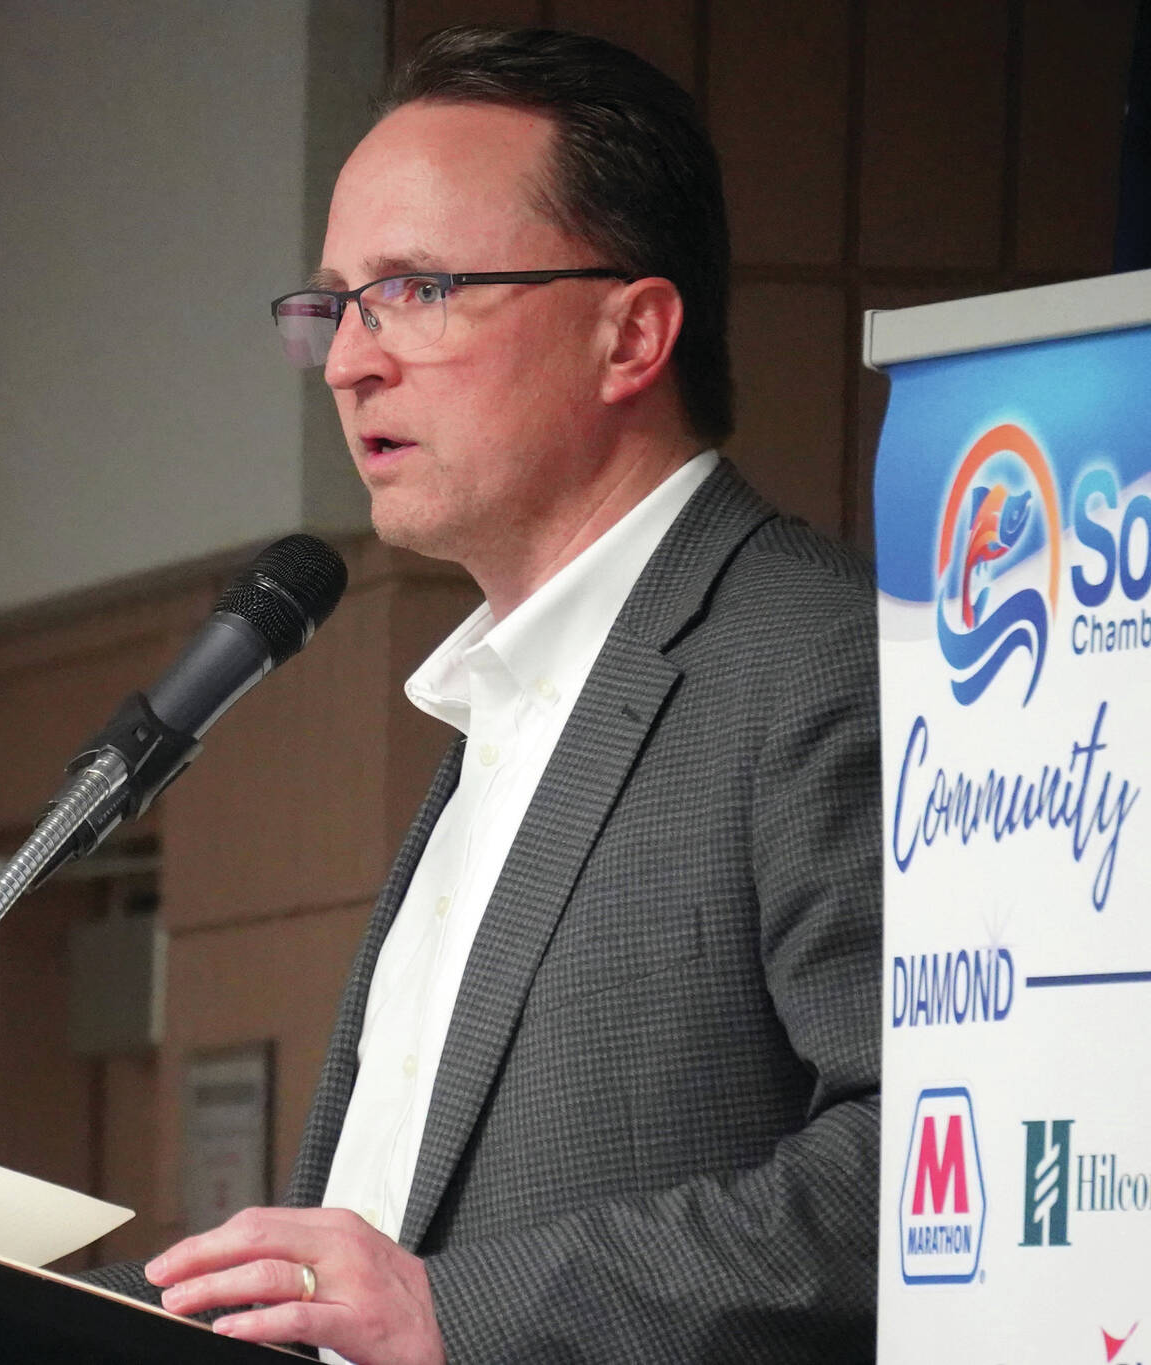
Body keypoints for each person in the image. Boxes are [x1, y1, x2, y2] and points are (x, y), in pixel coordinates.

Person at [81, 25, 879, 1364]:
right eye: (335, 304)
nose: (348, 362)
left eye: (417, 290)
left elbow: (933, 1167)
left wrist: (468, 1311)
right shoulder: (509, 707)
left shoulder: (813, 664)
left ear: (632, 333)